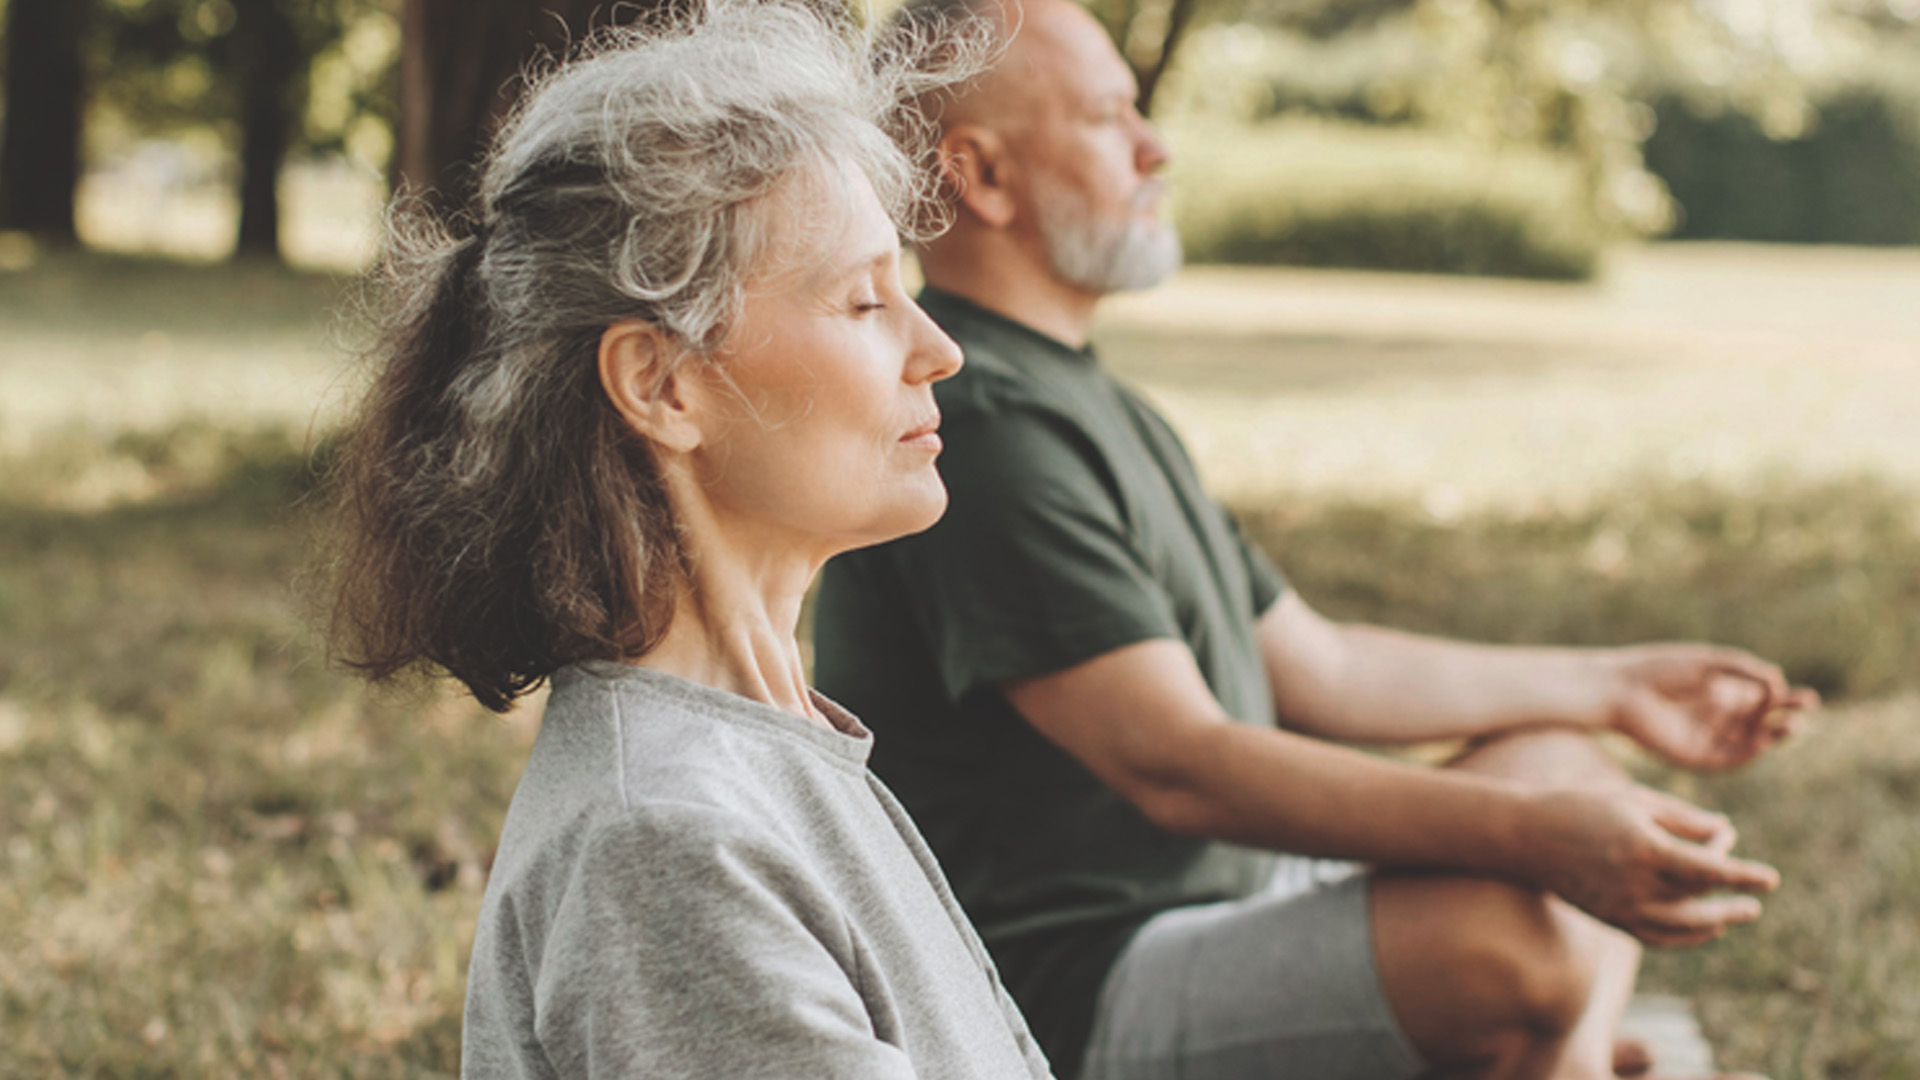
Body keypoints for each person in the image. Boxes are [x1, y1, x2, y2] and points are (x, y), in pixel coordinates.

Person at [812, 2, 1818, 1078]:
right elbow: (1181, 767)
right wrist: (1535, 838)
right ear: (984, 179)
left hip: (1237, 899)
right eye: (1112, 117)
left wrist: (1613, 687)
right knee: (1514, 944)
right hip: (1071, 992)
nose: (1158, 146)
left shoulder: (1084, 398)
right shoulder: (983, 425)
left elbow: (1323, 665)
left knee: (1570, 767)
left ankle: (1555, 1057)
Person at [325, 4, 1054, 1077]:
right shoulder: (666, 841)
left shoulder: (757, 753)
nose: (938, 349)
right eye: (862, 301)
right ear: (663, 385)